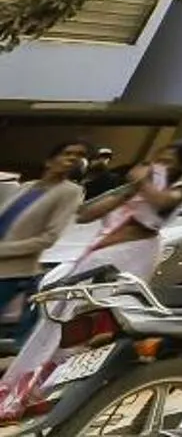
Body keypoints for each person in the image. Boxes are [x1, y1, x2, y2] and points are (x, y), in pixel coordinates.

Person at [0, 143, 182, 417]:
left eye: (169, 160)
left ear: (181, 166)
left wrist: (144, 178)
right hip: (94, 257)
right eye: (160, 157)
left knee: (82, 324)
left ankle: (47, 391)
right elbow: (87, 215)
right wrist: (129, 188)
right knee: (55, 319)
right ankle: (22, 389)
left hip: (124, 261)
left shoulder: (177, 190)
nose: (161, 163)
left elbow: (161, 202)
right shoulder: (135, 188)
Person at [0, 144, 91, 354]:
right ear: (49, 161)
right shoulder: (27, 187)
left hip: (13, 269)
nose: (72, 159)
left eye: (78, 156)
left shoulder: (70, 192)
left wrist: (4, 251)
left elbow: (47, 239)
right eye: (67, 154)